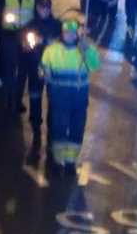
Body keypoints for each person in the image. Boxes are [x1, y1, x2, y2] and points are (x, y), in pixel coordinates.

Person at [41, 19, 100, 173]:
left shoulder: (85, 49)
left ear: (77, 34)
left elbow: (95, 66)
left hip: (79, 100)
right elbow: (43, 69)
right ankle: (57, 161)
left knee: (76, 130)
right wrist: (43, 74)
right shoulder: (51, 50)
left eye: (73, 32)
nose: (70, 35)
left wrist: (87, 51)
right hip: (59, 99)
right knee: (58, 130)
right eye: (67, 32)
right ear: (62, 33)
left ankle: (70, 162)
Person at [18, 0, 62, 153]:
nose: (44, 10)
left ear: (50, 9)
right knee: (35, 99)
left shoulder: (57, 25)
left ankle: (52, 128)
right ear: (37, 8)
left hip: (52, 70)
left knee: (53, 101)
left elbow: (59, 44)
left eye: (47, 8)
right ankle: (36, 127)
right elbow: (24, 45)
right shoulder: (30, 25)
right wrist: (27, 45)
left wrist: (42, 41)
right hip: (34, 69)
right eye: (42, 7)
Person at [0, 0, 37, 115]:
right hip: (10, 37)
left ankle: (17, 100)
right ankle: (9, 98)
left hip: (25, 37)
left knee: (22, 72)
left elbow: (37, 13)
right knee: (10, 70)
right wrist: (2, 27)